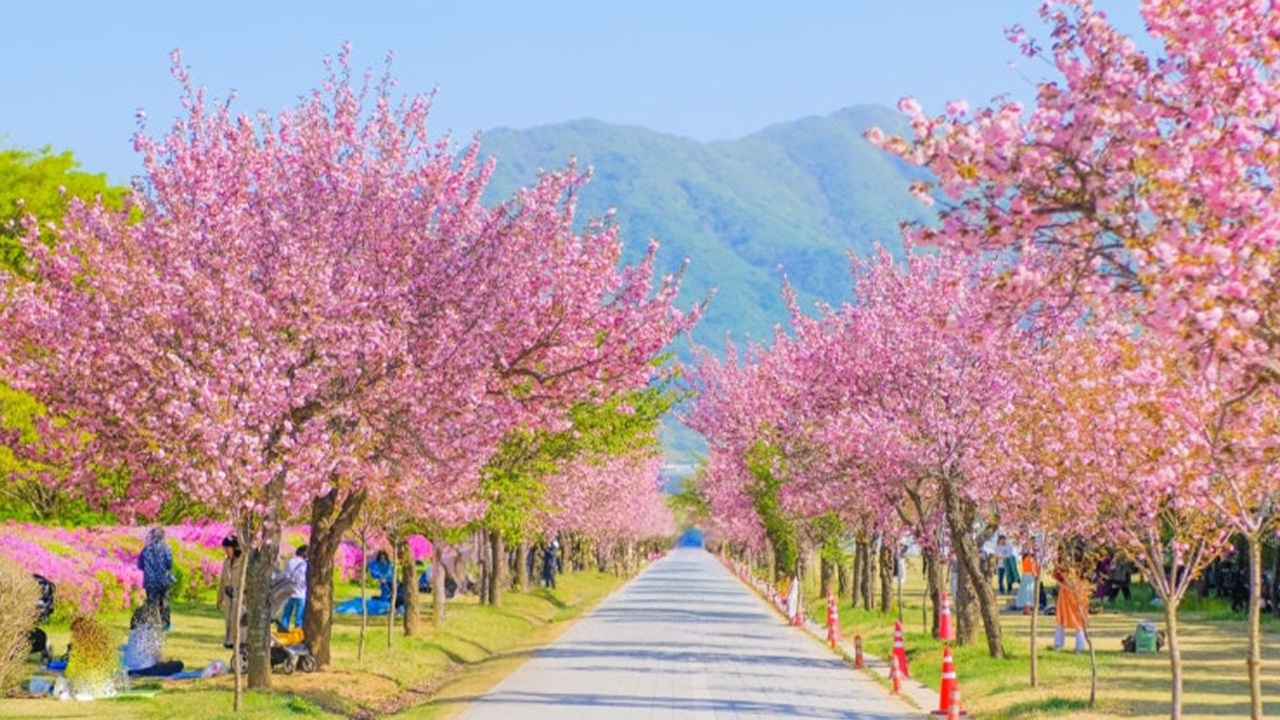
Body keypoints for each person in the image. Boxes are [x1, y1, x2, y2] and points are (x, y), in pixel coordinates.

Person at [137, 527, 173, 629]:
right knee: (164, 601)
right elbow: (169, 564)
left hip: (150, 581)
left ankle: (152, 623)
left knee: (152, 603)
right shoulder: (166, 549)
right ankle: (165, 623)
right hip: (163, 580)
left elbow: (140, 565)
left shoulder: (145, 550)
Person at [1054, 566, 1090, 652]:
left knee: (1074, 621)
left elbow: (1058, 574)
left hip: (1072, 591)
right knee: (1073, 621)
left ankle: (1061, 644)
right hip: (1073, 591)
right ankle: (1078, 646)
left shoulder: (1070, 568)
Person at [218, 535, 245, 649]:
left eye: (227, 548)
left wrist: (245, 594)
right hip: (229, 595)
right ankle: (229, 641)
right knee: (229, 619)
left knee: (239, 620)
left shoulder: (243, 561)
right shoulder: (227, 562)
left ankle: (240, 642)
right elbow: (222, 580)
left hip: (240, 596)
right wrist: (220, 598)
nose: (226, 551)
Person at [280, 545, 308, 631]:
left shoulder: (289, 562)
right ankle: (297, 635)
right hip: (301, 593)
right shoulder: (305, 564)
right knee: (298, 618)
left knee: (286, 615)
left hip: (289, 592)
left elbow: (285, 575)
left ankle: (282, 632)